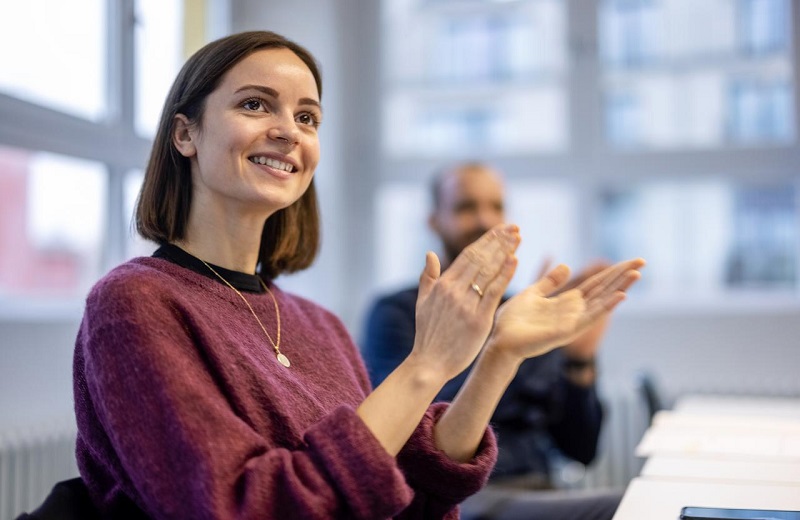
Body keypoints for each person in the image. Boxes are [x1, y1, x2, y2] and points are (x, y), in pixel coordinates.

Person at [71, 31, 644, 519]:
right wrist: (427, 364)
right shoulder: (136, 302)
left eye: (306, 116)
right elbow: (239, 506)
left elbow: (405, 495)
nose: (288, 130)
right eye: (254, 105)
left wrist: (500, 355)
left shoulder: (317, 325)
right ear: (185, 134)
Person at [362, 162, 624, 518]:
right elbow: (418, 432)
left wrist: (578, 359)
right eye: (465, 207)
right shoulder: (397, 313)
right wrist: (508, 352)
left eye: (496, 207)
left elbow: (582, 448)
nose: (485, 220)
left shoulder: (523, 311)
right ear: (434, 221)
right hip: (462, 496)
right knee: (634, 508)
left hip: (540, 488)